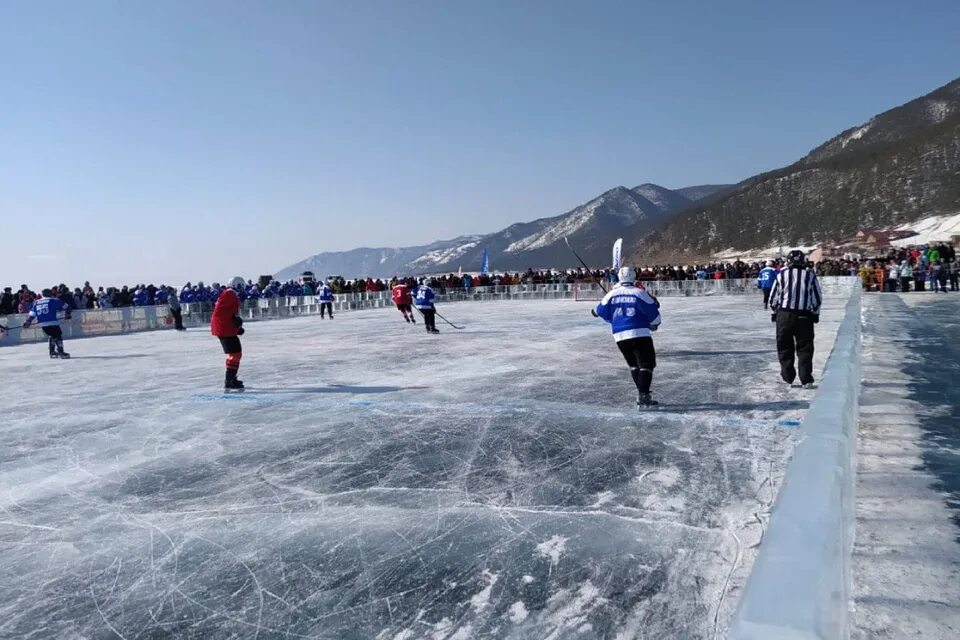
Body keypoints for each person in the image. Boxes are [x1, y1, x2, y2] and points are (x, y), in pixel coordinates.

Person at [594, 266, 662, 408]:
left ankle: (643, 393)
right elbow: (653, 312)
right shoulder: (639, 293)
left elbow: (600, 311)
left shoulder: (611, 294)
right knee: (646, 365)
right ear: (634, 276)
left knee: (634, 365)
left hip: (620, 336)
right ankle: (643, 396)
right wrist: (654, 324)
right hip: (639, 333)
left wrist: (613, 320)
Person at [769, 249, 822, 388]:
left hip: (785, 315)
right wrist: (815, 314)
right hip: (804, 315)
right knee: (805, 348)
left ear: (789, 261)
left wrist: (776, 312)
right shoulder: (810, 275)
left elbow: (773, 298)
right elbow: (817, 298)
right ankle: (806, 379)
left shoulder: (781, 275)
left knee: (784, 345)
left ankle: (788, 377)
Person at [21, 288, 72, 358]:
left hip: (42, 324)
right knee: (58, 336)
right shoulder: (54, 300)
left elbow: (32, 314)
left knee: (52, 335)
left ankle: (52, 352)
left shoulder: (36, 302)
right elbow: (67, 307)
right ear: (50, 293)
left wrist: (28, 322)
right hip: (52, 322)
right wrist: (67, 314)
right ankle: (61, 352)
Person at [211, 288, 245, 391]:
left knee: (233, 354)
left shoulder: (227, 294)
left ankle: (230, 379)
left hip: (224, 328)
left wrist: (236, 326)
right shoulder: (230, 294)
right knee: (235, 354)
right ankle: (229, 380)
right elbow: (224, 313)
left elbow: (226, 312)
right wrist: (235, 323)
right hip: (224, 329)